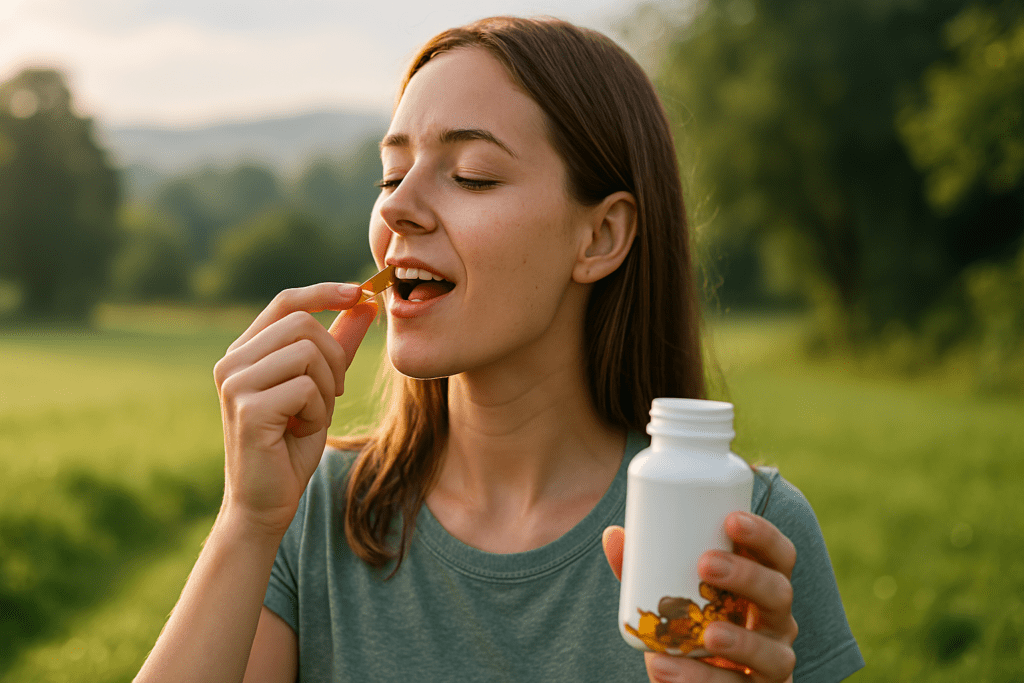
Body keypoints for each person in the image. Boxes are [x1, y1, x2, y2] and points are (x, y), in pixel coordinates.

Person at [136, 16, 864, 683]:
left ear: (601, 236)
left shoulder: (744, 527)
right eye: (391, 174)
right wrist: (247, 520)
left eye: (471, 175)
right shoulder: (314, 508)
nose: (394, 207)